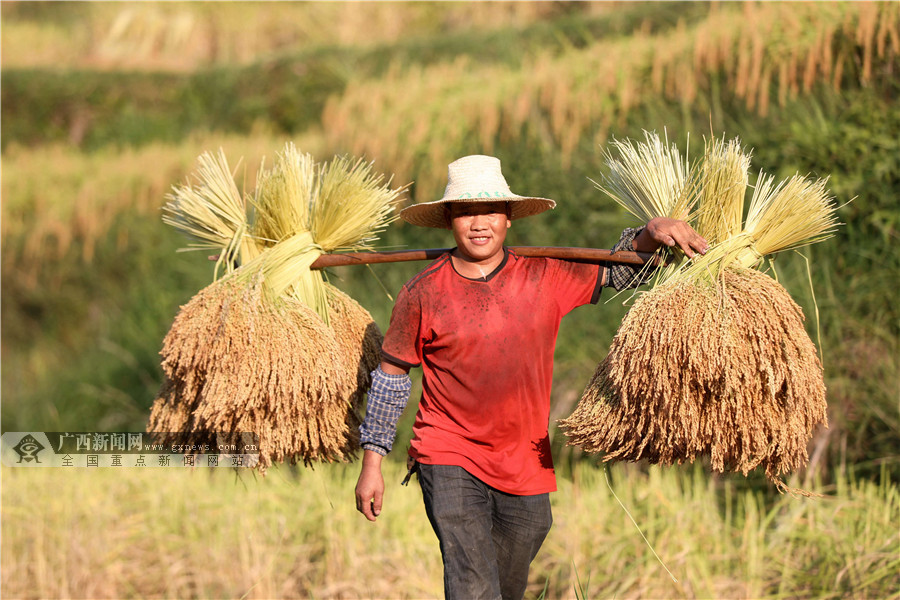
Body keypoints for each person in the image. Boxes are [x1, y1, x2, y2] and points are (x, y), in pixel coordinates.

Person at [354, 155, 707, 599]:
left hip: (525, 457)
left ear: (508, 218)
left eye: (489, 211)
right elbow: (391, 378)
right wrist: (373, 464)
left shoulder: (545, 275)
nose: (478, 223)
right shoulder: (422, 292)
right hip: (448, 452)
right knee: (473, 587)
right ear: (449, 220)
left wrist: (650, 233)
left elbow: (619, 268)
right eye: (465, 212)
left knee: (512, 573)